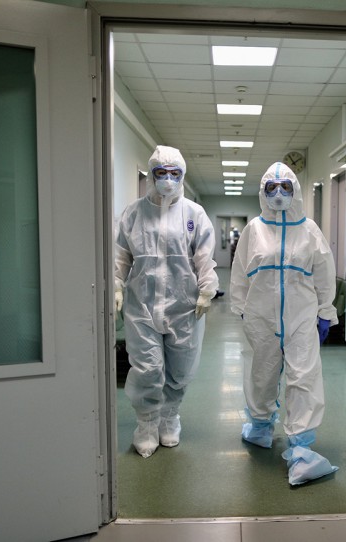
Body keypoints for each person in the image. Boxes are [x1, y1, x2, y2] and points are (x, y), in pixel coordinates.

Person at [230, 162, 339, 485]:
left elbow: (324, 272)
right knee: (261, 372)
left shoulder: (309, 230)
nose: (278, 193)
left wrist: (325, 310)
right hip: (261, 318)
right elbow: (239, 273)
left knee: (303, 377)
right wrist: (241, 308)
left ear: (296, 191)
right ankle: (260, 426)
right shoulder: (253, 230)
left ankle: (302, 447)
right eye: (271, 188)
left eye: (286, 187)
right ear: (263, 192)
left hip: (301, 317)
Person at [115, 145, 219, 458]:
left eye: (175, 173)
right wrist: (116, 285)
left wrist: (207, 289)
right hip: (142, 305)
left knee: (181, 367)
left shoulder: (194, 214)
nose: (168, 179)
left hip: (183, 304)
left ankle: (169, 416)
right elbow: (121, 255)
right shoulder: (134, 212)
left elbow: (204, 257)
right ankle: (146, 423)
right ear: (151, 175)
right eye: (161, 172)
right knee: (146, 367)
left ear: (183, 176)